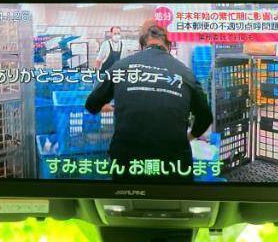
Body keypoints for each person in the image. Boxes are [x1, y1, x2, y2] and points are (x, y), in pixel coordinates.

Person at [85, 20, 213, 182]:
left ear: (141, 44)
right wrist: (189, 137)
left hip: (128, 164)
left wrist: (119, 107)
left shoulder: (120, 67)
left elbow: (91, 105)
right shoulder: (186, 74)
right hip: (173, 165)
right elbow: (205, 117)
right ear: (169, 45)